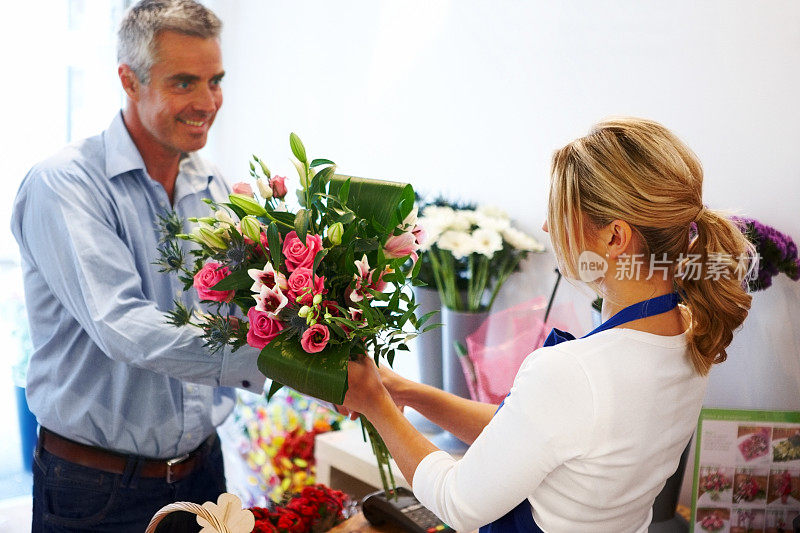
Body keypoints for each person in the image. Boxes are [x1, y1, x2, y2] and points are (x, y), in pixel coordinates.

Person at [341, 118, 755, 532]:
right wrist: (407, 392)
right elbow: (538, 435)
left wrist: (375, 403)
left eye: (558, 212)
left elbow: (459, 503)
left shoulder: (576, 373)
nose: (545, 226)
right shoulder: (689, 329)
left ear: (615, 237)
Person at [11, 1, 265, 531]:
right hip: (96, 489)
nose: (207, 102)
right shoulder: (65, 186)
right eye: (184, 83)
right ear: (129, 80)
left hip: (203, 473)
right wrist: (277, 363)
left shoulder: (215, 186)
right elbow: (124, 326)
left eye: (215, 80)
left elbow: (241, 311)